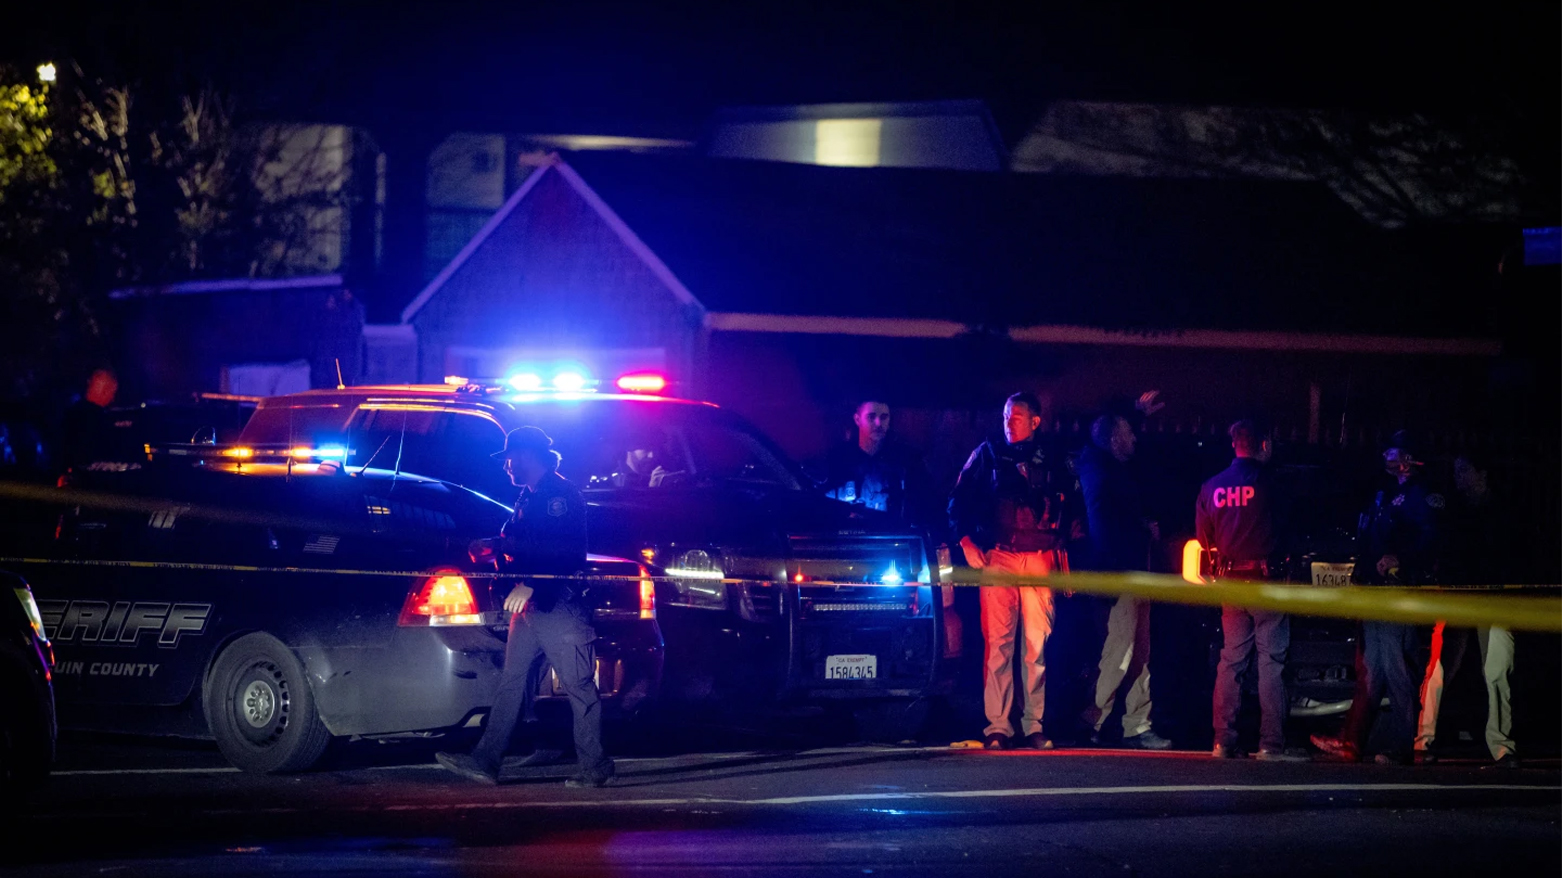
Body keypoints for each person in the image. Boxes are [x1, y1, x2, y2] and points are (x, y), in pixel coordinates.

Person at [436, 426, 614, 788]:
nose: (506, 467)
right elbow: (525, 539)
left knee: (579, 687)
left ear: (529, 455)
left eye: (509, 459)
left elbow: (564, 551)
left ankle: (595, 767)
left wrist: (532, 583)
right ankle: (486, 761)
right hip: (531, 609)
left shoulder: (560, 496)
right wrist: (493, 545)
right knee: (512, 683)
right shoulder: (530, 498)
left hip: (559, 605)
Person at [948, 392, 1076, 750]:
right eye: (1006, 415)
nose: (1009, 421)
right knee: (998, 644)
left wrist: (1065, 550)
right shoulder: (987, 453)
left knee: (1036, 645)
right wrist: (966, 543)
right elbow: (956, 501)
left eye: (1017, 416)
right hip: (999, 557)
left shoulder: (1055, 457)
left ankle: (1034, 723)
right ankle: (998, 727)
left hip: (1040, 557)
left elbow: (1075, 506)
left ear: (1036, 421)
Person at [1313, 431, 1442, 766]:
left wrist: (1403, 561)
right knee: (1372, 668)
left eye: (1395, 451)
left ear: (1410, 458)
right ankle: (1352, 741)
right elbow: (1369, 535)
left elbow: (1430, 540)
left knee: (1398, 668)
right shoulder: (1383, 492)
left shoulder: (1423, 495)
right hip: (1373, 589)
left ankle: (1403, 746)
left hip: (1399, 591)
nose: (1387, 456)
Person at [1198, 419, 1306, 761]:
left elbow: (1205, 539)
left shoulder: (1212, 486)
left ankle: (1223, 742)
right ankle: (1271, 744)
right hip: (1267, 583)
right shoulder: (1272, 484)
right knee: (1271, 662)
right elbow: (1290, 530)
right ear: (1263, 444)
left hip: (1231, 584)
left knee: (1231, 661)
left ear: (1234, 445)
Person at [1074, 412, 1172, 750]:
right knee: (1121, 652)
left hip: (1134, 572)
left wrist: (1142, 527)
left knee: (1139, 652)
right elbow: (1103, 526)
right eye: (1129, 431)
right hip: (1121, 575)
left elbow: (1117, 520)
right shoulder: (1100, 471)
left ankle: (1137, 725)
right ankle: (1092, 719)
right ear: (1114, 438)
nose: (1135, 438)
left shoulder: (1112, 471)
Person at [1414, 452, 1519, 768]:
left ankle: (1502, 746)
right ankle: (1422, 741)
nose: (1458, 477)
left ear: (1482, 473)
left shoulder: (1502, 510)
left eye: (1464, 471)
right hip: (1457, 596)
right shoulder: (1453, 510)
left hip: (1494, 598)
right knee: (1438, 668)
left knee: (1498, 668)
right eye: (1456, 471)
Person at [822, 399, 935, 532]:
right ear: (857, 420)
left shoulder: (907, 461)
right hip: (846, 542)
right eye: (871, 417)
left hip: (893, 542)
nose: (878, 423)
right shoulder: (837, 460)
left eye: (884, 417)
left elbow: (927, 504)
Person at [58, 367, 118, 474]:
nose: (113, 398)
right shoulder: (96, 419)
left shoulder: (72, 412)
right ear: (106, 390)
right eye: (113, 393)